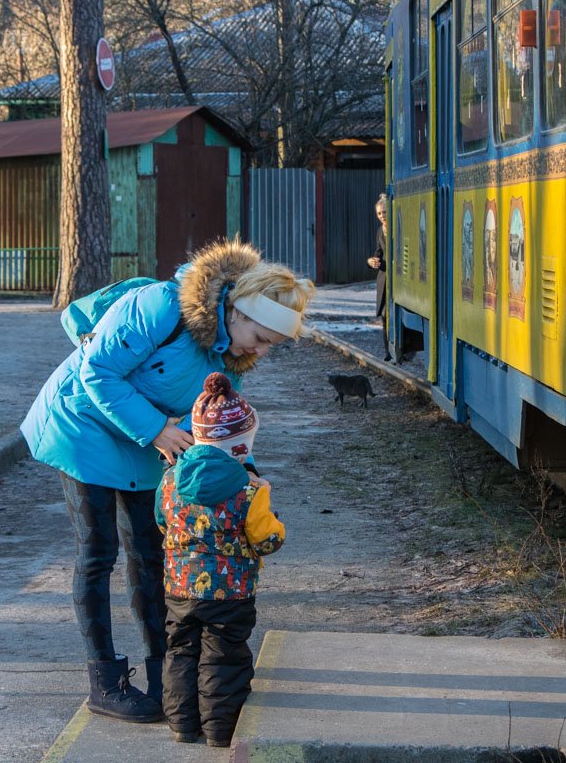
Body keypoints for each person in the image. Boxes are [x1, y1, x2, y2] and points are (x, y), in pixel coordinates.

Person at [20, 239, 313, 722]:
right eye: (260, 338)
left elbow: (217, 427)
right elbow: (98, 370)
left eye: (270, 345)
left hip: (145, 438)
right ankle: (106, 683)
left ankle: (168, 671)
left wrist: (248, 477)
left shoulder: (231, 357)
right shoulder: (160, 305)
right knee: (98, 551)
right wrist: (157, 429)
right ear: (238, 312)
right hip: (83, 422)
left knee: (152, 550)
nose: (260, 351)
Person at [156, 371, 285, 747]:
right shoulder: (250, 491)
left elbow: (161, 522)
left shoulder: (169, 481)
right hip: (230, 594)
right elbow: (266, 541)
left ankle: (182, 726)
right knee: (223, 656)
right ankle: (221, 730)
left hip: (179, 588)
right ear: (242, 447)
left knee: (181, 651)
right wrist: (271, 511)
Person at [366, 194, 391, 360]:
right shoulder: (379, 231)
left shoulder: (397, 227)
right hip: (384, 280)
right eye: (379, 214)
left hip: (396, 280)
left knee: (390, 314)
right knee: (384, 316)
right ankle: (388, 352)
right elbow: (378, 254)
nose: (382, 216)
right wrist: (371, 261)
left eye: (385, 212)